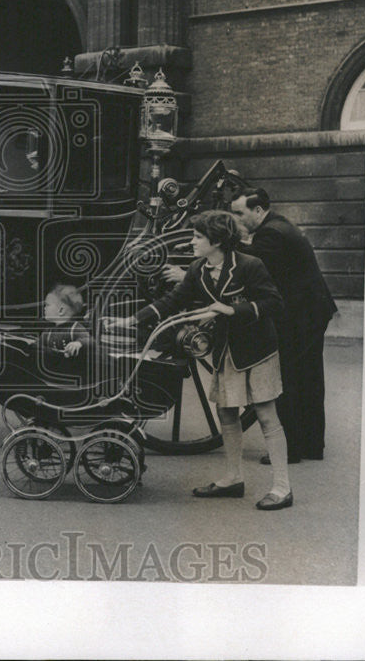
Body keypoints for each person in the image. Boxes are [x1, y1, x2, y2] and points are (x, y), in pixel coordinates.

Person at [107, 210, 293, 510]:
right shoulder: (198, 269)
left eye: (197, 237)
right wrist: (131, 320)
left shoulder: (250, 265)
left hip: (257, 350)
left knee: (266, 415)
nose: (192, 242)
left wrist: (234, 310)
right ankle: (233, 478)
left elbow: (274, 302)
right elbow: (171, 301)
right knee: (226, 413)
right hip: (225, 350)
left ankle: (283, 488)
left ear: (217, 241)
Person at [230, 187, 337, 462]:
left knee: (288, 378)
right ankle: (312, 446)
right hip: (311, 311)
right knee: (309, 379)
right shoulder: (278, 224)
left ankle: (291, 448)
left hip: (301, 316)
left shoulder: (271, 233)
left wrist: (223, 242)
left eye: (239, 213)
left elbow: (251, 265)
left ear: (257, 210)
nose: (237, 219)